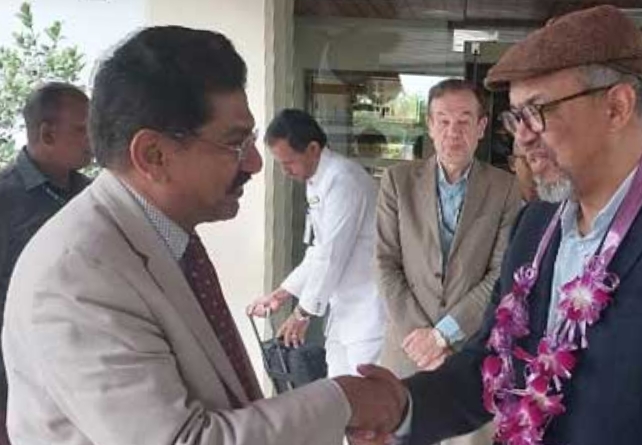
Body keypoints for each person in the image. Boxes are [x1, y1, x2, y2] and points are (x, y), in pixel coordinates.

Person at [352, 6, 642, 445]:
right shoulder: (536, 223)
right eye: (516, 118)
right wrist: (399, 407)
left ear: (616, 107)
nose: (522, 137)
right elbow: (492, 361)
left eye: (537, 111)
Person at [2, 26, 405, 445]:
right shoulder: (79, 276)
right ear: (153, 155)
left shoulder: (165, 238)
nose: (254, 163)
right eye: (235, 144)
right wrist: (342, 401)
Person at [375, 78, 519, 445]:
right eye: (443, 120)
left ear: (481, 127)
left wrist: (443, 335)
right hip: (406, 350)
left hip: (467, 354)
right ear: (429, 125)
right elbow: (386, 263)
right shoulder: (397, 181)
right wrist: (422, 338)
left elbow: (500, 274)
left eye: (464, 121)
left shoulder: (506, 188)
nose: (453, 132)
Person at [247, 108, 386, 377]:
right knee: (338, 388)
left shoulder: (343, 181)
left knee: (365, 390)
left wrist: (302, 313)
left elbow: (331, 254)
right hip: (344, 311)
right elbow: (318, 251)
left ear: (312, 149)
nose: (285, 171)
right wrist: (282, 293)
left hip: (368, 311)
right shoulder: (317, 181)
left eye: (289, 162)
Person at [0, 81, 91, 443]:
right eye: (82, 129)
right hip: (22, 385)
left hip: (87, 371)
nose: (92, 139)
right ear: (47, 134)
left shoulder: (90, 196)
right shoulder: (5, 200)